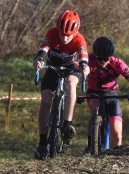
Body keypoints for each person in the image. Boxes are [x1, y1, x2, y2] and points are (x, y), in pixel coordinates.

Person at [32, 10, 90, 160]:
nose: (64, 38)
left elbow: (83, 57)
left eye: (68, 35)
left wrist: (85, 67)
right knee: (45, 101)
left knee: (71, 85)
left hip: (70, 69)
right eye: (61, 34)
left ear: (75, 32)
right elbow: (43, 49)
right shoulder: (51, 33)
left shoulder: (79, 39)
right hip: (52, 68)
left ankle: (67, 125)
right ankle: (43, 142)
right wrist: (38, 60)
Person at [83, 36, 129, 155]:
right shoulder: (88, 60)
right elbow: (73, 69)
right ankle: (90, 146)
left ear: (110, 57)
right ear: (94, 55)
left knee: (117, 136)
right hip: (94, 93)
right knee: (95, 111)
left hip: (112, 96)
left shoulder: (118, 64)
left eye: (105, 59)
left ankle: (115, 158)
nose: (102, 62)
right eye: (99, 58)